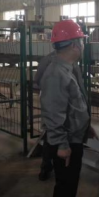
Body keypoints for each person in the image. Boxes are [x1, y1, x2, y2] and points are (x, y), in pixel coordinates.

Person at [40, 20, 97, 197]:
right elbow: (53, 114)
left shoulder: (69, 68)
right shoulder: (56, 74)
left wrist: (86, 126)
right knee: (64, 191)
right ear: (74, 44)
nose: (83, 45)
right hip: (65, 143)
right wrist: (62, 145)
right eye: (81, 41)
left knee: (69, 190)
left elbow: (75, 103)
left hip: (74, 136)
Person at [34, 52, 84, 182]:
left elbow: (78, 83)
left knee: (52, 133)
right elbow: (39, 80)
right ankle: (47, 166)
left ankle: (49, 166)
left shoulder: (68, 60)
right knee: (52, 132)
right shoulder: (51, 61)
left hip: (68, 108)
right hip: (56, 104)